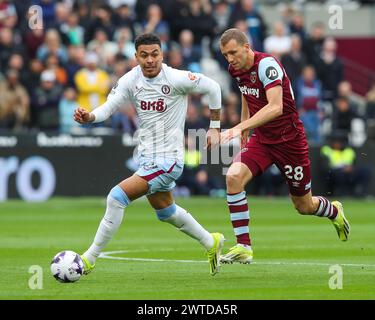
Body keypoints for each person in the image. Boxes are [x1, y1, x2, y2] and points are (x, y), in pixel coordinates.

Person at [73, 34, 224, 276]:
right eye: (144, 55)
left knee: (116, 197)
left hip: (169, 160)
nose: (150, 60)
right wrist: (90, 117)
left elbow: (213, 87)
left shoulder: (175, 78)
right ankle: (210, 241)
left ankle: (89, 258)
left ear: (162, 55)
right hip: (147, 158)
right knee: (166, 211)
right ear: (136, 57)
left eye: (155, 54)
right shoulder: (130, 80)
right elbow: (109, 107)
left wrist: (215, 127)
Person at [218, 28, 350, 264]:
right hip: (262, 139)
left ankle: (334, 211)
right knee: (233, 177)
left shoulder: (267, 65)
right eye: (225, 55)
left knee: (304, 205)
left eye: (233, 52)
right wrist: (245, 125)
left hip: (290, 141)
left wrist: (239, 127)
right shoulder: (235, 69)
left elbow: (275, 106)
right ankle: (243, 246)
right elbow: (246, 93)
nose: (229, 59)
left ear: (247, 47)